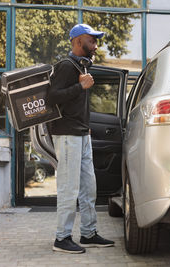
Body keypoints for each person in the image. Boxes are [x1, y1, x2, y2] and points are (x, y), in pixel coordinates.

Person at [47, 24, 115, 254]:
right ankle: (62, 238)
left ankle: (88, 233)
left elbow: (76, 105)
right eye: (92, 40)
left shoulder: (80, 65)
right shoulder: (66, 66)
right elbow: (52, 98)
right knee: (69, 187)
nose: (95, 45)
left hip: (80, 134)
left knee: (89, 187)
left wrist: (86, 128)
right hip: (67, 135)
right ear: (77, 41)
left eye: (96, 40)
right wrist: (80, 86)